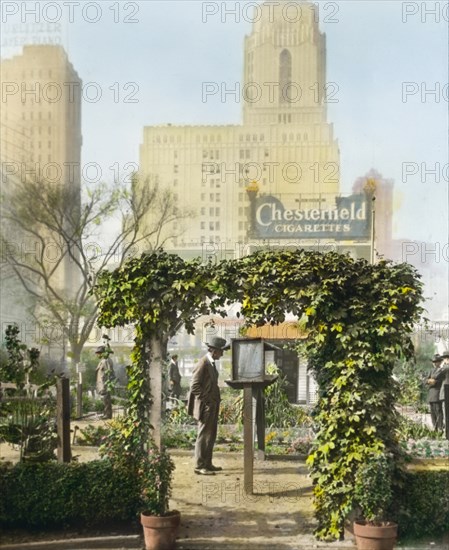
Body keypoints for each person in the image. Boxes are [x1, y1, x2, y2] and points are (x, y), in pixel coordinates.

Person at [187, 336, 230, 475]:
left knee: (210, 435)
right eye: (221, 351)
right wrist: (208, 401)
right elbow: (194, 386)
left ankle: (207, 463)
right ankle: (200, 466)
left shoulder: (210, 363)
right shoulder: (203, 363)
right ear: (214, 351)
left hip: (211, 405)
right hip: (206, 407)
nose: (222, 354)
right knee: (203, 435)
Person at [426, 352, 449, 432]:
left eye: (437, 362)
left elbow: (437, 379)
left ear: (440, 362)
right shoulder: (431, 371)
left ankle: (440, 427)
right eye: (434, 362)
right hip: (431, 393)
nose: (435, 364)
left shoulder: (443, 369)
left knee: (438, 411)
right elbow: (425, 380)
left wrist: (432, 380)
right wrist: (429, 381)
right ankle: (435, 428)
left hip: (438, 392)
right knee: (432, 412)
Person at [95, 345, 115, 419]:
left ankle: (107, 415)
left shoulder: (105, 361)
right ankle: (106, 414)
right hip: (102, 384)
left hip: (105, 384)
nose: (97, 355)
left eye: (98, 353)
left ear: (102, 353)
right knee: (105, 400)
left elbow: (109, 372)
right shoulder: (103, 361)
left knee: (106, 400)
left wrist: (107, 383)